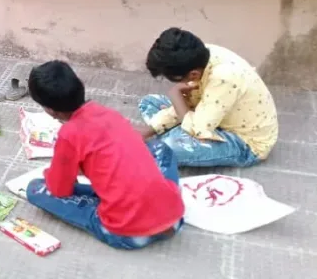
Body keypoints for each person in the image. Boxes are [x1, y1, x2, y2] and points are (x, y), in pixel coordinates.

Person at [23, 60, 185, 250]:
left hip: (128, 233)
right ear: (80, 86)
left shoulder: (68, 135)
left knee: (35, 189)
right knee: (158, 148)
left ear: (50, 110)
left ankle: (119, 210)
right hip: (173, 217)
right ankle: (154, 203)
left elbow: (60, 189)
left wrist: (57, 172)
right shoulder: (108, 113)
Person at [139, 28, 279, 167]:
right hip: (212, 115)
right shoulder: (201, 56)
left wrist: (176, 96)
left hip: (246, 143)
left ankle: (169, 139)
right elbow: (193, 103)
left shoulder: (224, 78)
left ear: (193, 74)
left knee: (169, 146)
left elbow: (198, 129)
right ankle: (172, 134)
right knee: (149, 102)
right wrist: (151, 129)